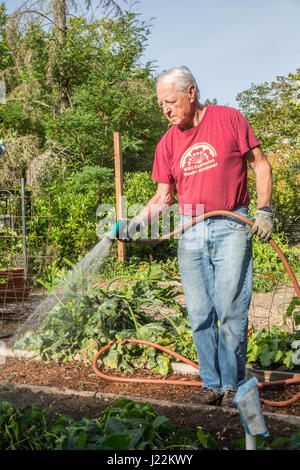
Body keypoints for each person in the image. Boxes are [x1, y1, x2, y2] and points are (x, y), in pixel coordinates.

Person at [117, 66, 273, 407]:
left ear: (191, 93)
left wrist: (264, 210)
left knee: (231, 309)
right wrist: (134, 225)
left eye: (170, 101)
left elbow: (260, 164)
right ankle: (211, 385)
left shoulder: (229, 119)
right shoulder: (167, 143)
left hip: (232, 223)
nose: (166, 109)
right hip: (190, 229)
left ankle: (232, 385)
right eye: (161, 105)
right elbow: (162, 198)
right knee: (200, 312)